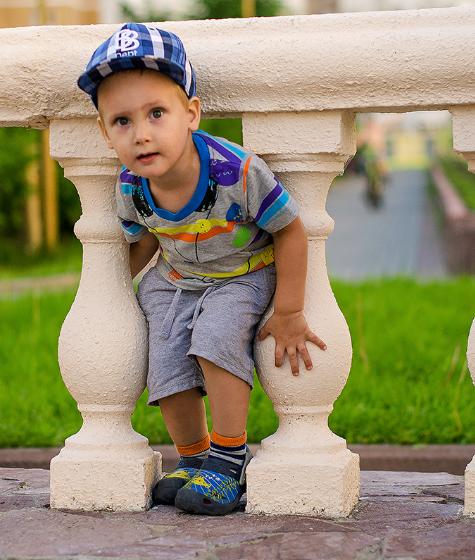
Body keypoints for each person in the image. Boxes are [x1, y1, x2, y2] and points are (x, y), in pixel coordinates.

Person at [77, 23, 325, 515]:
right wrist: (106, 295)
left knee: (215, 339)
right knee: (165, 360)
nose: (142, 134)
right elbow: (144, 238)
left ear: (190, 113)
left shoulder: (236, 171)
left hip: (242, 271)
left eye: (156, 113)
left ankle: (229, 459)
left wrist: (289, 310)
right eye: (122, 121)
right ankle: (193, 458)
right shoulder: (131, 186)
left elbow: (291, 229)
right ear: (105, 133)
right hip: (176, 278)